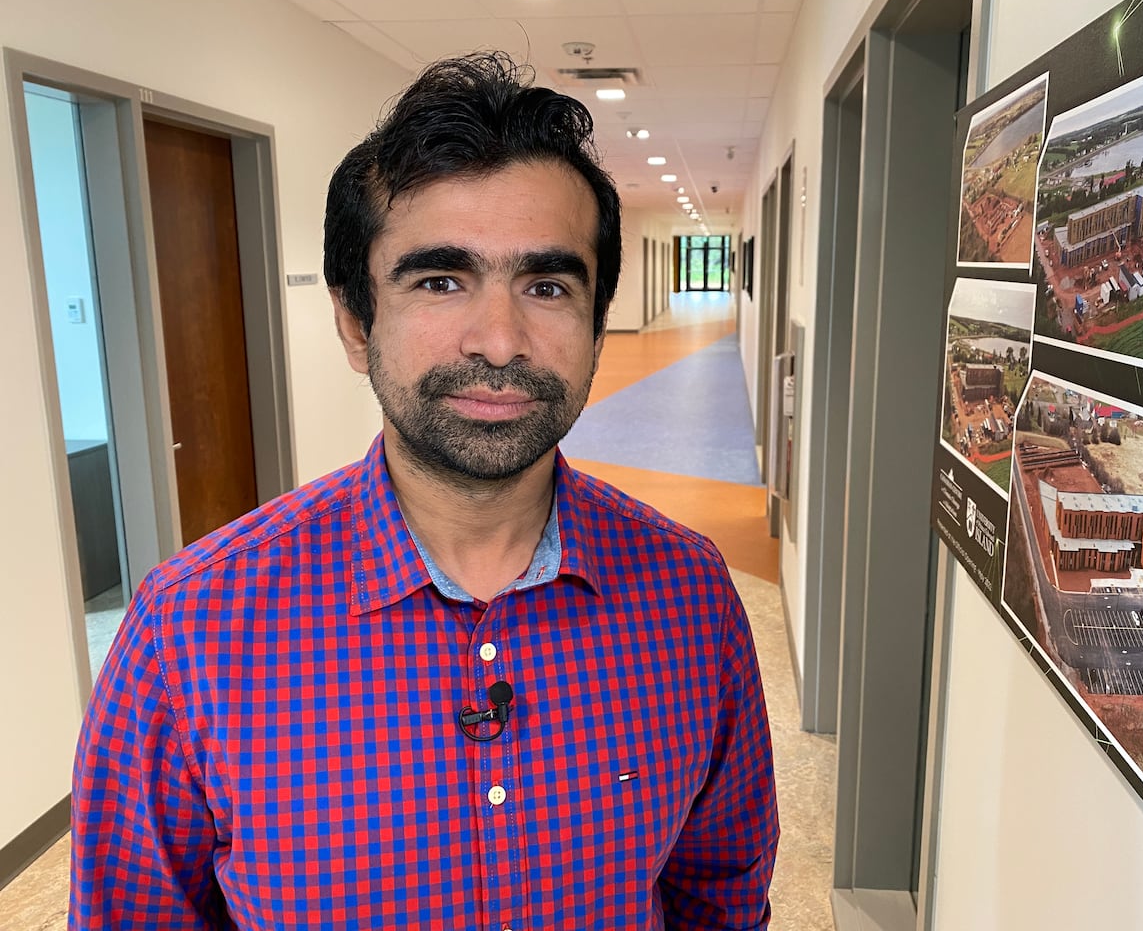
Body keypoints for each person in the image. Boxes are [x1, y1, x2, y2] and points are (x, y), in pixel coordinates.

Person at [70, 51, 778, 930]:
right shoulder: (191, 633)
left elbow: (720, 893)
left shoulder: (688, 594)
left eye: (547, 285)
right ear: (356, 322)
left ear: (596, 328)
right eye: (441, 280)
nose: (499, 339)